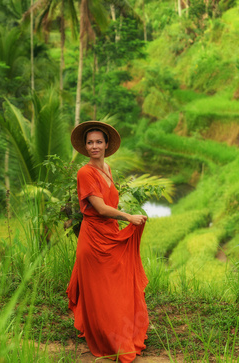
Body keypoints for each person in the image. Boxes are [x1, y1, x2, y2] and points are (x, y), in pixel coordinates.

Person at [66, 121, 149, 362]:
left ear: (106, 144)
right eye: (90, 142)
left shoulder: (107, 168)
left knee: (116, 287)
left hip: (110, 234)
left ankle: (118, 331)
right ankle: (107, 338)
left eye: (98, 142)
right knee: (102, 292)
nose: (94, 146)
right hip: (93, 239)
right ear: (85, 146)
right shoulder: (85, 172)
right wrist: (128, 217)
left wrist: (124, 221)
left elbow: (109, 204)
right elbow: (101, 208)